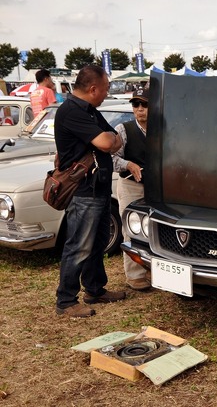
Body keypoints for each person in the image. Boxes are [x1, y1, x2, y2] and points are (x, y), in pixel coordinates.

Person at [54, 64, 126, 318]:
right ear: (93, 88)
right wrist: (109, 141)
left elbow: (114, 141)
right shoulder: (72, 111)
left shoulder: (90, 110)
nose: (107, 92)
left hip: (99, 187)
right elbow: (109, 141)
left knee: (96, 242)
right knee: (79, 245)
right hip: (84, 189)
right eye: (106, 88)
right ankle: (66, 300)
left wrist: (109, 141)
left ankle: (95, 288)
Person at [112, 88, 151, 290]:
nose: (140, 109)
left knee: (153, 230)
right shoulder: (123, 129)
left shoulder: (160, 129)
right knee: (131, 229)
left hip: (155, 187)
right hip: (130, 185)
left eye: (144, 104)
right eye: (136, 105)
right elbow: (112, 158)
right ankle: (135, 276)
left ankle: (152, 270)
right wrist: (129, 165)